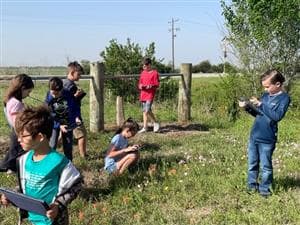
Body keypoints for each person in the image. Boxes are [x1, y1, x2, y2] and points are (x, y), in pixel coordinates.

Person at [0, 105, 82, 225]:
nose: (18, 140)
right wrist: (11, 197)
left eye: (23, 136)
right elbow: (28, 187)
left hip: (53, 221)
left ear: (40, 137)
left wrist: (58, 205)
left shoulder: (59, 162)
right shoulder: (24, 160)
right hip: (33, 220)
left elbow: (76, 184)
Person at [238, 69, 290, 197]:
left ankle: (264, 190)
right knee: (252, 163)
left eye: (267, 87)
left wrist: (261, 104)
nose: (265, 90)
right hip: (255, 136)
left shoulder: (284, 98)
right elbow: (259, 114)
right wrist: (247, 107)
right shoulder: (266, 96)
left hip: (267, 138)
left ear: (277, 84)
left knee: (266, 166)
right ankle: (251, 187)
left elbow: (277, 116)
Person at [0, 74, 34, 173]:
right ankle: (14, 169)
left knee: (13, 154)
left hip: (16, 132)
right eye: (28, 91)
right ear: (22, 88)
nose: (28, 94)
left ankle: (9, 168)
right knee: (18, 154)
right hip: (19, 132)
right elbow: (17, 122)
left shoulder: (11, 100)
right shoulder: (16, 103)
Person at [45, 77, 81, 161]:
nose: (54, 96)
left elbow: (75, 107)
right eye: (52, 93)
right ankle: (49, 164)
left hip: (67, 122)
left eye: (57, 94)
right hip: (55, 123)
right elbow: (49, 112)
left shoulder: (68, 94)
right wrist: (59, 124)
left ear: (62, 90)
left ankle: (69, 164)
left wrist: (77, 117)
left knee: (68, 145)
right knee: (52, 145)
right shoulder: (49, 95)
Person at [63, 61, 87, 158]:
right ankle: (83, 155)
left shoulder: (64, 83)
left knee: (64, 134)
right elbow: (72, 101)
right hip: (74, 114)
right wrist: (79, 95)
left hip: (65, 114)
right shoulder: (71, 86)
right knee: (82, 134)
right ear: (72, 73)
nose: (80, 76)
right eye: (79, 74)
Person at [138, 57, 160, 133]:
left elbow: (157, 84)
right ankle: (145, 127)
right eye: (143, 66)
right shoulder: (143, 73)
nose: (144, 67)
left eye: (145, 65)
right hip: (143, 94)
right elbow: (140, 83)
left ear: (149, 65)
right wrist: (140, 86)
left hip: (150, 94)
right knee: (144, 111)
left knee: (147, 110)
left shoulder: (155, 73)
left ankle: (155, 123)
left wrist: (151, 86)